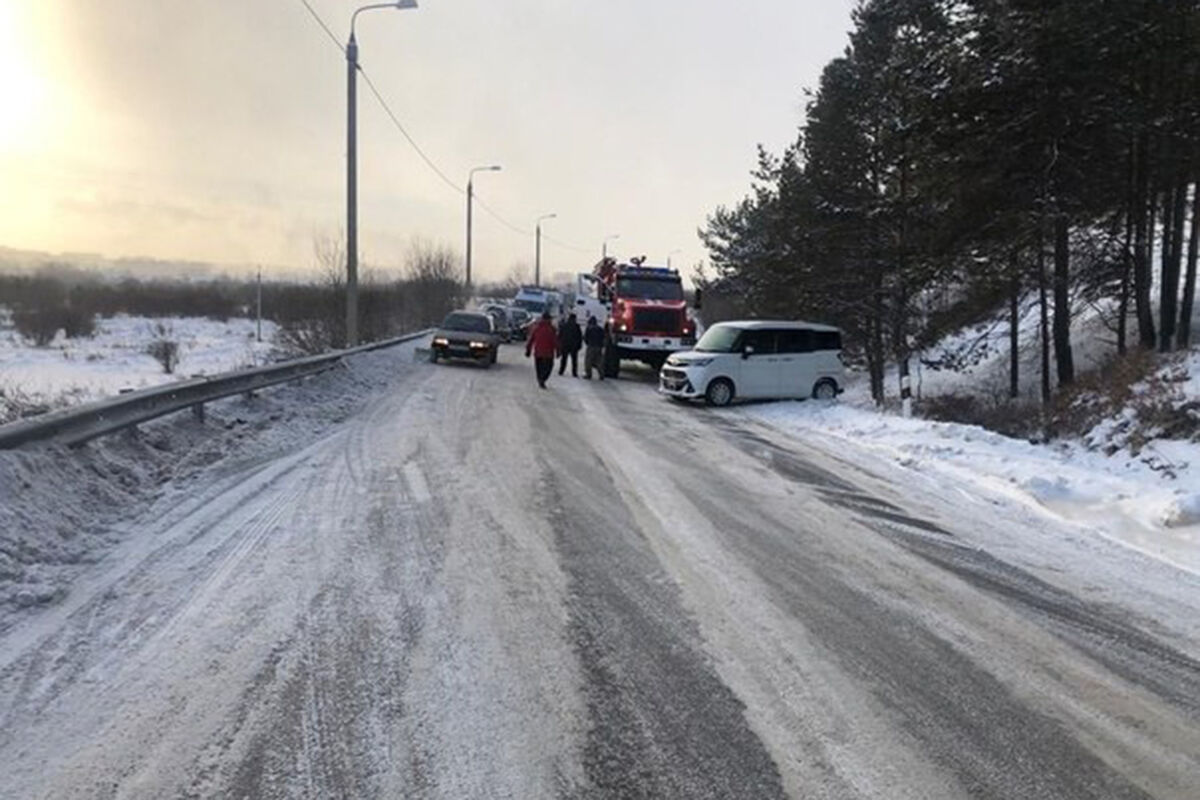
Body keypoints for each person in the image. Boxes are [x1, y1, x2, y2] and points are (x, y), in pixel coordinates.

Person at [525, 311, 558, 388]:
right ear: (549, 319)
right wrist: (558, 350)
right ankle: (542, 379)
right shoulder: (552, 329)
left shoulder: (537, 328)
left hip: (538, 353)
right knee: (548, 367)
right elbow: (555, 341)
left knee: (539, 368)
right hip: (548, 354)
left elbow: (531, 339)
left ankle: (540, 379)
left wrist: (528, 350)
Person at [557, 313, 583, 377]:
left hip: (565, 344)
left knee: (564, 359)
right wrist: (579, 345)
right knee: (574, 360)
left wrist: (560, 344)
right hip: (574, 346)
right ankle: (574, 373)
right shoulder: (577, 326)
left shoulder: (564, 325)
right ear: (574, 319)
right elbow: (580, 337)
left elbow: (560, 335)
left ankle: (561, 371)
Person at [583, 315, 606, 380]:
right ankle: (601, 374)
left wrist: (588, 343)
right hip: (598, 347)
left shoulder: (589, 329)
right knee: (599, 361)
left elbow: (586, 338)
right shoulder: (600, 329)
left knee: (588, 361)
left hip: (591, 346)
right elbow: (604, 338)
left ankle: (588, 374)